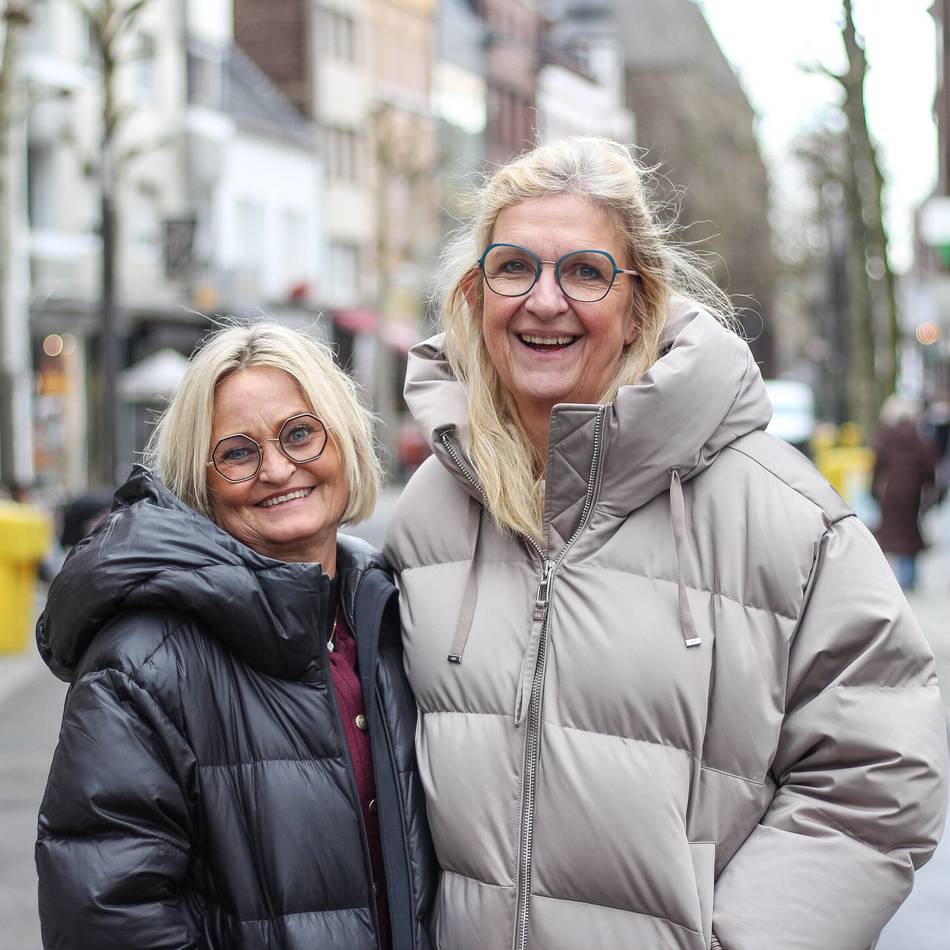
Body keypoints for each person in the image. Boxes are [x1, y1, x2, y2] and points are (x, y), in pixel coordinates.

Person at [383, 137, 949, 950]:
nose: (545, 301)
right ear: (477, 296)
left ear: (639, 303)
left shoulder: (781, 514)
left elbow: (879, 774)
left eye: (583, 272)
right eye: (514, 268)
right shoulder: (431, 509)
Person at [35, 323, 435, 950]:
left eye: (300, 434)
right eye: (239, 452)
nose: (277, 469)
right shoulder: (143, 662)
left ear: (346, 441)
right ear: (204, 480)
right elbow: (108, 919)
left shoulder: (388, 616)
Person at [872, 395, 936, 591]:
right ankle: (909, 577)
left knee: (895, 533)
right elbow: (929, 469)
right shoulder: (920, 440)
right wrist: (930, 489)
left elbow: (877, 468)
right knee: (910, 531)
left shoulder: (885, 439)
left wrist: (873, 490)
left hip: (890, 492)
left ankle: (899, 578)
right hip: (913, 492)